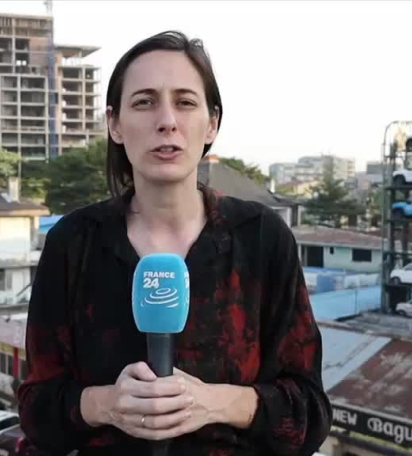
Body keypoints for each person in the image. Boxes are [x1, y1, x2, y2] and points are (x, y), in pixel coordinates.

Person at [18, 31, 331, 456]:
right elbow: (36, 411)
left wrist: (214, 403)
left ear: (212, 123)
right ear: (114, 124)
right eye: (144, 102)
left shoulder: (261, 237)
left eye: (184, 102)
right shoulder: (74, 243)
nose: (166, 120)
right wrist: (106, 404)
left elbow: (309, 414)